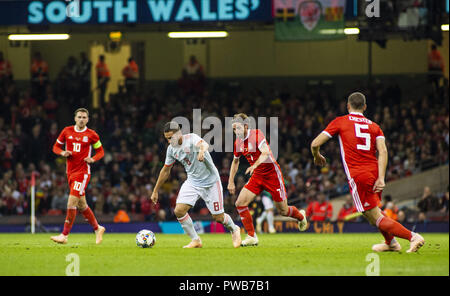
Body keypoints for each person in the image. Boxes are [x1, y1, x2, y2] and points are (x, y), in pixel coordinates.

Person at [310, 92, 425, 253]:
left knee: (375, 217)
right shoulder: (375, 126)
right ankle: (390, 243)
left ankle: (412, 237)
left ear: (348, 106)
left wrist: (317, 155)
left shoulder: (340, 121)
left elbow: (315, 143)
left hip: (359, 175)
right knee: (374, 214)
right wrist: (381, 177)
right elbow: (383, 151)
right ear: (364, 107)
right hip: (374, 172)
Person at [150, 121, 241, 248]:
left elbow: (204, 144)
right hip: (192, 182)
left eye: (171, 137)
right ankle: (196, 240)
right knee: (179, 211)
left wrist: (201, 152)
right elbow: (165, 170)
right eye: (167, 139)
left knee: (218, 217)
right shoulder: (171, 149)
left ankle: (234, 229)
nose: (170, 141)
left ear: (179, 133)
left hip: (211, 182)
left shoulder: (191, 138)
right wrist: (155, 190)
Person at [228, 113, 307, 247]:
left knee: (283, 210)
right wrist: (231, 181)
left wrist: (255, 165)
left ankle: (301, 216)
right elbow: (235, 162)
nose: (236, 132)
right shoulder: (238, 142)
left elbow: (265, 153)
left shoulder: (257, 134)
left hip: (272, 175)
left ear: (246, 126)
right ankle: (252, 236)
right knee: (240, 203)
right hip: (257, 175)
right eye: (234, 129)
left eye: (238, 128)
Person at [50, 108, 105, 244]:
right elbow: (55, 147)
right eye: (79, 117)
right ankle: (98, 228)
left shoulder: (92, 135)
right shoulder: (66, 131)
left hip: (83, 173)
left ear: (88, 119)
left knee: (71, 202)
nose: (81, 119)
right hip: (70, 172)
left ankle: (64, 235)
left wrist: (93, 159)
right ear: (75, 118)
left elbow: (100, 152)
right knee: (82, 205)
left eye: (84, 117)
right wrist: (62, 153)